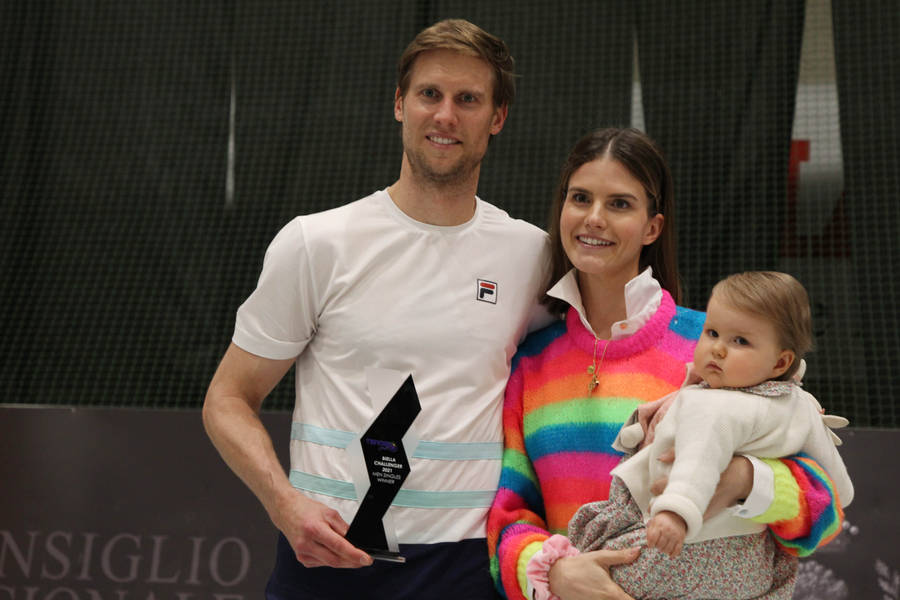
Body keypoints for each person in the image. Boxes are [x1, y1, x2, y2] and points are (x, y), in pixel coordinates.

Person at [202, 19, 552, 600]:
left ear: (497, 118)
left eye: (468, 99)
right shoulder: (316, 243)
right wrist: (285, 504)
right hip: (327, 563)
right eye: (429, 95)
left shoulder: (533, 256)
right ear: (399, 104)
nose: (445, 115)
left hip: (466, 567)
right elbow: (228, 399)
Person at [487, 128, 847, 600]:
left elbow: (828, 512)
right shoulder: (531, 362)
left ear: (653, 227)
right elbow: (509, 518)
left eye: (619, 204)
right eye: (580, 198)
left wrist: (744, 478)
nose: (593, 218)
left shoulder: (718, 349)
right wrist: (551, 573)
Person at [529, 271, 853, 600]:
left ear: (780, 361)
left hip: (679, 550)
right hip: (751, 568)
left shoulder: (712, 403)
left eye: (740, 341)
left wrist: (678, 513)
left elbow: (698, 463)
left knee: (609, 565)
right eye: (712, 333)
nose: (718, 349)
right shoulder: (801, 406)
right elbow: (840, 490)